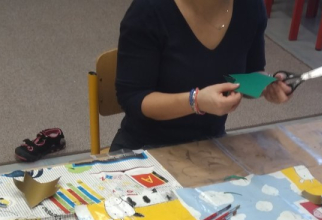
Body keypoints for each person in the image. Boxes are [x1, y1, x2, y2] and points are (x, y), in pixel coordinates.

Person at [112, 0, 292, 152]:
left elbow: (249, 73)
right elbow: (133, 98)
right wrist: (196, 101)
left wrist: (266, 84)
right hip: (145, 148)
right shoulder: (148, 10)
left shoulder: (250, 7)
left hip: (209, 145)